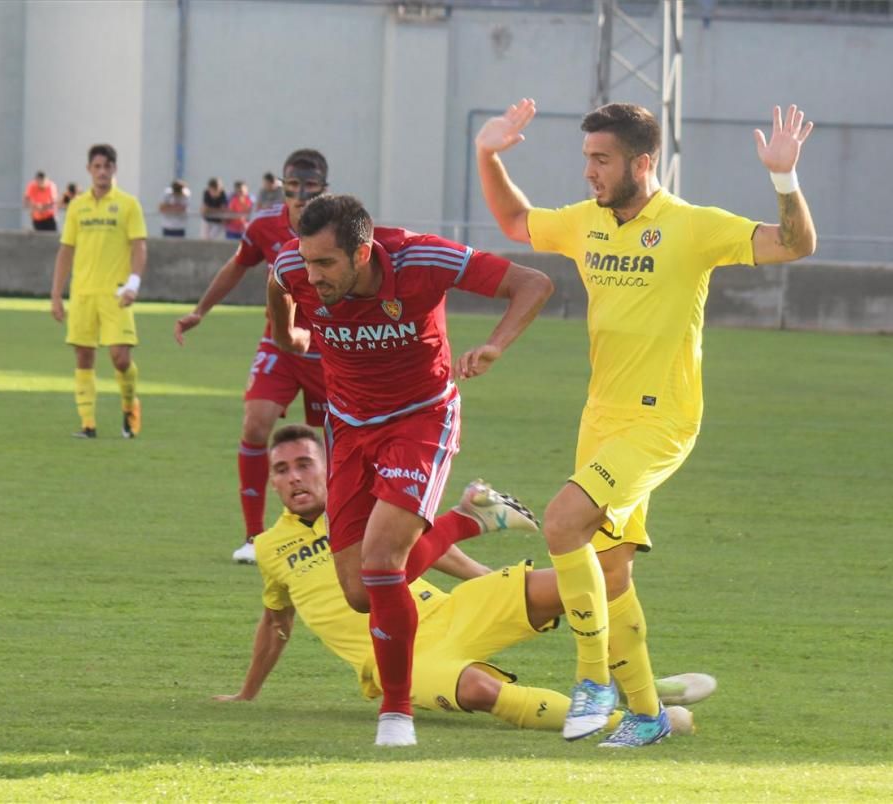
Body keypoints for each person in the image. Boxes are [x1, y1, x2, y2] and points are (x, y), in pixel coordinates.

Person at [474, 99, 816, 747]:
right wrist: (487, 155)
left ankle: (592, 679)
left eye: (601, 160)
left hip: (661, 422)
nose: (589, 173)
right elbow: (516, 220)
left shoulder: (692, 226)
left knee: (561, 520)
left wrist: (783, 179)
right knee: (610, 573)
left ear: (642, 162)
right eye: (586, 160)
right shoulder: (586, 224)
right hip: (600, 418)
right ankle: (646, 715)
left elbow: (796, 244)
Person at [267, 194, 555, 747]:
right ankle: (471, 517)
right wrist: (287, 335)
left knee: (381, 566)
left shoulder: (423, 261)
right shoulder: (293, 269)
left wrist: (496, 344)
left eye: (325, 263)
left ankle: (396, 715)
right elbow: (278, 285)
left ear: (364, 252)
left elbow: (532, 282)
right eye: (307, 261)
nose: (313, 275)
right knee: (358, 593)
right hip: (348, 425)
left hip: (421, 420)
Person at [214, 425, 714, 742]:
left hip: (448, 610)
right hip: (399, 656)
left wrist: (490, 583)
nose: (295, 477)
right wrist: (247, 694)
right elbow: (275, 622)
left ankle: (642, 690)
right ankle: (632, 719)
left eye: (305, 464)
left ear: (326, 468)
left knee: (587, 582)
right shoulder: (267, 548)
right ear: (272, 482)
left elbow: (427, 551)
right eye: (282, 470)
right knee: (478, 690)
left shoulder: (360, 511)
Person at [174, 149, 331, 565]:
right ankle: (253, 536)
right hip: (279, 343)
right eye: (292, 186)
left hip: (329, 348)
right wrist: (199, 311)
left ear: (323, 189)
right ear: (282, 186)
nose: (300, 194)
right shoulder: (265, 224)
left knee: (336, 441)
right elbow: (236, 266)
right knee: (255, 422)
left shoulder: (341, 228)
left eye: (309, 186)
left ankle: (335, 528)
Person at [51, 144, 149, 439]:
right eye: (97, 167)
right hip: (82, 294)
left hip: (115, 294)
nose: (102, 172)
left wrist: (133, 284)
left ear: (114, 169)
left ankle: (130, 406)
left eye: (107, 167)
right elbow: (66, 251)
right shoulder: (77, 206)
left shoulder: (128, 204)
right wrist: (56, 294)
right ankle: (88, 424)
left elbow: (139, 246)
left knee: (120, 358)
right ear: (89, 170)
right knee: (83, 356)